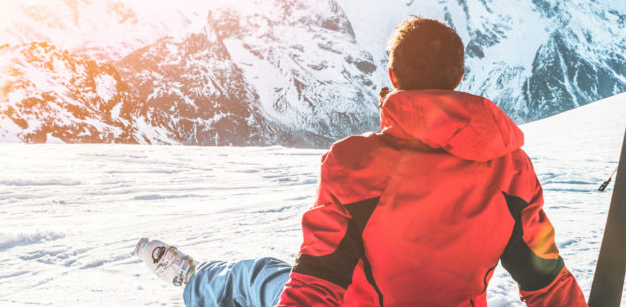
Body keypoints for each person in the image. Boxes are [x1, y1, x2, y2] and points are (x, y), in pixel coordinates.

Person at [137, 16, 586, 306]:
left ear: (393, 77)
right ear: (459, 78)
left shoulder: (354, 163)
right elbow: (545, 278)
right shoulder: (511, 169)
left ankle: (193, 279)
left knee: (256, 275)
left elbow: (318, 280)